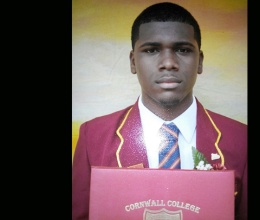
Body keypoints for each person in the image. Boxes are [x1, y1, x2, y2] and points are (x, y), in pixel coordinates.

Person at [72, 2, 247, 220]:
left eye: (183, 50)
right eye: (152, 50)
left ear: (199, 61)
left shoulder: (241, 140)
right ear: (133, 61)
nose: (168, 63)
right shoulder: (93, 138)